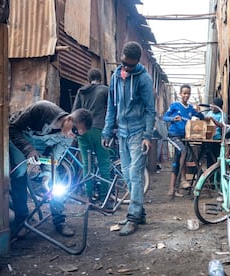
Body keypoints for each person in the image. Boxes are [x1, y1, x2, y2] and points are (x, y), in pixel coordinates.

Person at [9, 100, 93, 238]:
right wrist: (28, 150)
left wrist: (47, 175)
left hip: (41, 146)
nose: (74, 136)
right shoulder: (42, 110)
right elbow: (12, 128)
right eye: (75, 130)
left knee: (55, 180)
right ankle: (22, 221)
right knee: (19, 174)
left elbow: (54, 159)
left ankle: (59, 221)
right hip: (21, 138)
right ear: (69, 119)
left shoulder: (67, 137)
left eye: (78, 135)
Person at [102, 41, 156, 236]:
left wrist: (147, 136)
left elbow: (150, 110)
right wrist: (107, 131)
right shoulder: (116, 76)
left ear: (137, 62)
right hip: (121, 133)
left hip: (138, 132)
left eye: (130, 65)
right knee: (126, 175)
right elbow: (111, 107)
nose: (126, 68)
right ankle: (139, 213)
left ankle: (132, 218)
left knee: (135, 174)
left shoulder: (144, 79)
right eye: (124, 63)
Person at [72, 68, 111, 205]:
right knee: (104, 164)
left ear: (88, 79)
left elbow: (74, 111)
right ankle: (104, 198)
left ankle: (88, 198)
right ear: (100, 79)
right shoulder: (104, 90)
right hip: (99, 129)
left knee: (86, 165)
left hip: (83, 131)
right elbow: (112, 109)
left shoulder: (81, 91)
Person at [163, 84, 204, 197]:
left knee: (177, 160)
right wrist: (173, 118)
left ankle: (172, 189)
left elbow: (201, 118)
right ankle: (182, 179)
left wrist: (198, 111)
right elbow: (164, 117)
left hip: (184, 136)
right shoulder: (175, 105)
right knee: (183, 151)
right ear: (181, 94)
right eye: (184, 93)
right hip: (174, 135)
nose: (186, 95)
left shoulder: (190, 108)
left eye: (188, 93)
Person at [204, 97, 224, 167]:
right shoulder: (209, 113)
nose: (212, 107)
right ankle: (209, 175)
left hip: (216, 139)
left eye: (214, 106)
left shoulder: (221, 114)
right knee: (208, 157)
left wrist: (212, 119)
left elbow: (221, 125)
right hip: (208, 138)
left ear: (218, 107)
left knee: (215, 157)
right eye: (212, 105)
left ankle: (216, 175)